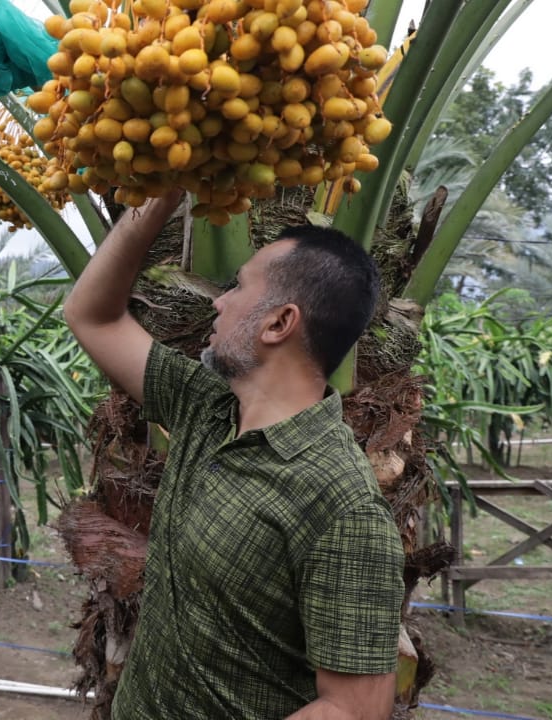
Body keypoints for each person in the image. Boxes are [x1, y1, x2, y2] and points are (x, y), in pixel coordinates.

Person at [63, 192, 404, 720]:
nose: (218, 302)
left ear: (278, 323)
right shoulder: (206, 407)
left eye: (238, 287)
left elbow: (354, 708)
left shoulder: (342, 505)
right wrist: (159, 199)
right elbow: (92, 317)